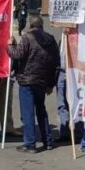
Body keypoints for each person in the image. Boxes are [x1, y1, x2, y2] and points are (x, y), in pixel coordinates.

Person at [8, 14, 59, 153]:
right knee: (41, 110)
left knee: (28, 113)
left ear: (30, 25)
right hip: (42, 81)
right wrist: (51, 83)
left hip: (27, 80)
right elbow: (55, 63)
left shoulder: (27, 38)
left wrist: (10, 46)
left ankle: (30, 143)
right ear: (42, 25)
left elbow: (17, 55)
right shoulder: (50, 39)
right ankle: (47, 140)